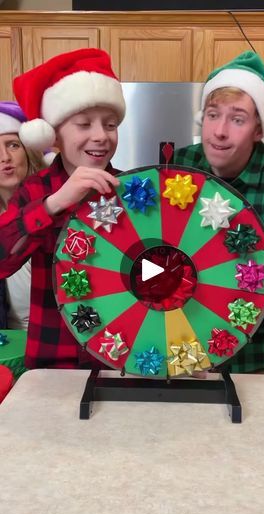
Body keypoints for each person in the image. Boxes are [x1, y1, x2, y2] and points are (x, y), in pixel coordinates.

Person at [174, 50, 264, 397]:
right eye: (213, 115)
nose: (219, 132)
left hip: (253, 361)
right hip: (185, 351)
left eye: (237, 119)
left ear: (258, 128)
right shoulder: (183, 163)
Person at [0, 48, 125, 370]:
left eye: (110, 125)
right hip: (55, 360)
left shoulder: (132, 191)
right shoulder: (36, 189)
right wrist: (55, 203)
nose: (100, 136)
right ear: (53, 136)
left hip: (119, 355)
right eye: (84, 124)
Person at [0, 101, 46, 330]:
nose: (4, 157)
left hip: (52, 336)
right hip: (8, 341)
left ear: (28, 152)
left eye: (13, 145)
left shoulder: (54, 208)